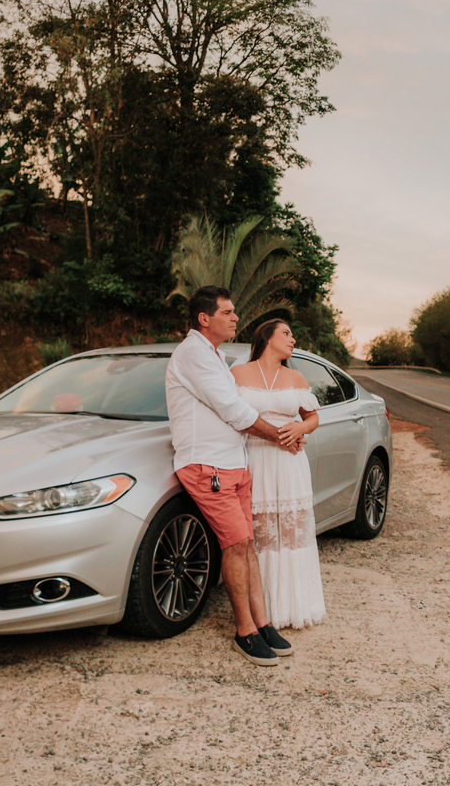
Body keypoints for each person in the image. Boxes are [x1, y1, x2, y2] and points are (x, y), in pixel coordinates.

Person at [164, 286, 301, 667]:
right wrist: (279, 436)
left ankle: (263, 622)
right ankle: (245, 632)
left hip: (233, 464)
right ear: (204, 319)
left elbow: (237, 407)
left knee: (247, 545)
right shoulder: (193, 354)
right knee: (236, 544)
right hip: (208, 466)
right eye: (228, 312)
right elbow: (232, 411)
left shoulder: (215, 356)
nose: (236, 318)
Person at [231, 319, 326, 629]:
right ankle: (262, 612)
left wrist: (301, 427)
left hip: (288, 464)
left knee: (290, 535)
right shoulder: (237, 374)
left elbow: (312, 418)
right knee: (257, 537)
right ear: (266, 336)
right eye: (286, 333)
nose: (293, 339)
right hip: (252, 460)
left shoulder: (295, 376)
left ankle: (294, 606)